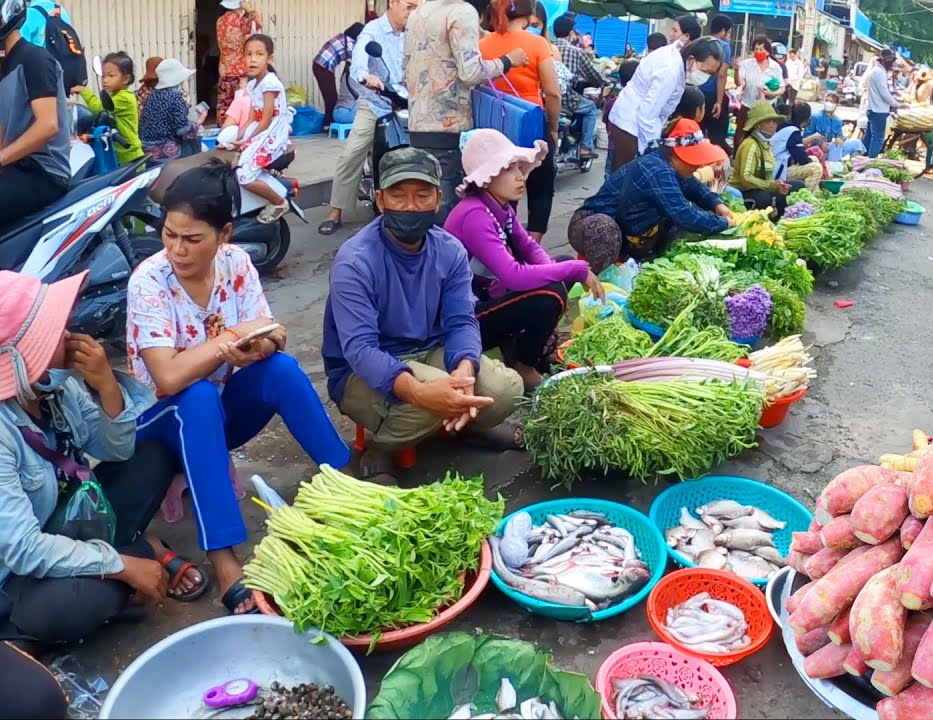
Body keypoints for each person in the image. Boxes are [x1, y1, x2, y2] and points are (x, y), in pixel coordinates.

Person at [128, 161, 351, 615]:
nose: (176, 249)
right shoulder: (149, 281)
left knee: (283, 370)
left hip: (217, 414)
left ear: (224, 233)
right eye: (169, 234)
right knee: (197, 394)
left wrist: (257, 348)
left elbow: (272, 332)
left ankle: (348, 486)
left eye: (192, 239)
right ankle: (224, 557)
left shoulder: (237, 264)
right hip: (158, 425)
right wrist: (231, 340)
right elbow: (168, 377)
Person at [0, 268, 212, 647]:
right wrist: (122, 565)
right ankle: (142, 552)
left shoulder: (57, 385)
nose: (67, 335)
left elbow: (117, 450)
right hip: (20, 570)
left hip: (73, 518)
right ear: (19, 358)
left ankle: (127, 567)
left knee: (153, 456)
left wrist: (106, 385)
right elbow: (25, 549)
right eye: (51, 333)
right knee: (77, 606)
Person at [323, 147, 524, 479]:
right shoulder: (355, 260)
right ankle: (381, 448)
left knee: (505, 391)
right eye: (398, 195)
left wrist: (464, 370)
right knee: (430, 397)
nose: (411, 205)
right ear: (380, 200)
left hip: (431, 351)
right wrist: (417, 390)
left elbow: (461, 320)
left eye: (422, 194)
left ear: (437, 198)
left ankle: (464, 426)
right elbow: (360, 350)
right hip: (360, 370)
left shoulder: (449, 250)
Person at [445, 130, 604, 388]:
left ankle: (533, 347)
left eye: (519, 167)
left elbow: (528, 246)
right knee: (550, 293)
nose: (520, 176)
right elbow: (513, 275)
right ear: (486, 177)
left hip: (489, 296)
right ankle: (523, 363)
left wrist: (564, 268)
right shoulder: (474, 214)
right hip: (464, 320)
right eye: (509, 169)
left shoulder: (500, 207)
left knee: (558, 267)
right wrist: (570, 270)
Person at [404, 0, 527, 221]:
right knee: (447, 212)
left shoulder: (419, 12)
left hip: (418, 124)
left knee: (425, 203)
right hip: (448, 125)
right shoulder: (463, 11)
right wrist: (508, 61)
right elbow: (470, 72)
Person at [569, 118, 733, 273]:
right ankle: (597, 280)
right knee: (603, 227)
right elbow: (684, 214)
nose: (698, 165)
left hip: (629, 231)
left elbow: (694, 187)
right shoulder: (657, 170)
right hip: (589, 225)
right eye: (693, 160)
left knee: (680, 221)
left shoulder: (670, 165)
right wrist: (723, 223)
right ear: (675, 156)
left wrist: (716, 204)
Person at [318, 0, 412, 236]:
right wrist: (365, 76)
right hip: (375, 103)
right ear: (392, 3)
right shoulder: (372, 31)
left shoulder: (415, 32)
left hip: (407, 103)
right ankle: (336, 211)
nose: (412, 13)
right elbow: (359, 60)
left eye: (416, 7)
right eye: (409, 6)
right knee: (352, 154)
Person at [479, 0, 560, 241]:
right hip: (531, 126)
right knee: (541, 186)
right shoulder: (537, 43)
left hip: (497, 126)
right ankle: (532, 246)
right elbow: (553, 92)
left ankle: (504, 244)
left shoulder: (483, 44)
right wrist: (553, 128)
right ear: (530, 13)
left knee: (502, 188)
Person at [606, 36, 723, 172]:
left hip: (636, 120)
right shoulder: (670, 72)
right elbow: (646, 115)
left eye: (710, 73)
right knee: (626, 178)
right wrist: (652, 151)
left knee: (624, 174)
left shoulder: (676, 57)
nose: (706, 76)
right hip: (631, 125)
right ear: (691, 59)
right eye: (705, 71)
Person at [0, 0, 70, 226]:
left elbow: (48, 125)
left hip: (44, 172)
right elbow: (4, 128)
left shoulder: (34, 59)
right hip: (19, 167)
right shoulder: (7, 67)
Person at [224, 34, 294, 223]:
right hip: (261, 130)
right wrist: (239, 138)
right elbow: (253, 116)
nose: (253, 59)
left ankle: (279, 202)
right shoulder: (254, 83)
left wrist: (247, 141)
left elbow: (266, 120)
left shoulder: (270, 83)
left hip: (272, 133)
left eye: (259, 54)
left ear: (269, 58)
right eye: (248, 54)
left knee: (244, 176)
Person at [73, 52, 143, 165]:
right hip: (119, 152)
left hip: (129, 154)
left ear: (126, 79)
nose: (105, 80)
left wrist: (83, 91)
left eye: (111, 76)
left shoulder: (124, 98)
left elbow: (99, 108)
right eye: (103, 76)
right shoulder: (115, 96)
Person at [552, 15, 605, 161]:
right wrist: (602, 82)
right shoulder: (576, 52)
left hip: (545, 96)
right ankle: (586, 148)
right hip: (567, 98)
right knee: (591, 109)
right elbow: (592, 74)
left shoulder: (546, 47)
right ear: (571, 33)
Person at [732, 101, 795, 216]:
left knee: (797, 186)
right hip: (744, 192)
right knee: (766, 198)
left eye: (774, 121)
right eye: (767, 121)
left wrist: (777, 185)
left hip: (761, 188)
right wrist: (771, 186)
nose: (772, 125)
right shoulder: (751, 144)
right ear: (757, 124)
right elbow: (746, 178)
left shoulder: (766, 144)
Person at [139, 58, 205, 161]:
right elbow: (183, 130)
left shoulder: (150, 96)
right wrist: (200, 121)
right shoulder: (175, 96)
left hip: (146, 149)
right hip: (165, 151)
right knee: (195, 141)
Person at [734, 35, 784, 150]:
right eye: (756, 49)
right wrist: (736, 70)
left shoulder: (775, 67)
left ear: (767, 52)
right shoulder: (747, 64)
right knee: (742, 134)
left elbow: (782, 88)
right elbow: (739, 82)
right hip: (748, 106)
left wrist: (771, 93)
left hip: (766, 108)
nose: (758, 52)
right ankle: (737, 159)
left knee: (763, 135)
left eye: (761, 49)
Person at [215, 0, 261, 123]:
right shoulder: (241, 21)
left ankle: (223, 130)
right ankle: (239, 132)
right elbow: (257, 24)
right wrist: (250, 10)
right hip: (240, 71)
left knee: (225, 104)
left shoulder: (220, 21)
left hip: (225, 69)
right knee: (241, 104)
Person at [312, 22, 363, 128]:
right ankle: (329, 123)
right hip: (324, 67)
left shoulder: (342, 38)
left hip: (320, 65)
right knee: (331, 98)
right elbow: (355, 59)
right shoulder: (350, 41)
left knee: (329, 97)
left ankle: (328, 122)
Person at [699, 14, 733, 151]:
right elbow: (722, 75)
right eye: (729, 32)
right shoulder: (724, 46)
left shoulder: (701, 42)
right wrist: (719, 101)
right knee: (717, 137)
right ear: (724, 31)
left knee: (698, 131)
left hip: (697, 93)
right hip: (713, 96)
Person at [770, 101, 822, 192]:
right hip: (777, 171)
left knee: (814, 159)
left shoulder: (787, 126)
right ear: (806, 120)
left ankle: (816, 194)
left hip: (778, 164)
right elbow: (802, 159)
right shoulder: (793, 131)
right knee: (816, 168)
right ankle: (804, 198)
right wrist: (808, 160)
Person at [864, 48, 901, 158]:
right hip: (878, 110)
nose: (891, 63)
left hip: (873, 109)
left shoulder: (878, 71)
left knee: (869, 137)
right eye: (890, 61)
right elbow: (884, 93)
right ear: (884, 61)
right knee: (878, 137)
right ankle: (871, 161)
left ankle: (862, 158)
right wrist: (897, 104)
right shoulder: (879, 72)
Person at [603, 59, 638, 174]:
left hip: (614, 147)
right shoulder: (644, 105)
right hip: (634, 149)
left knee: (611, 179)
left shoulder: (612, 103)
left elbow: (606, 121)